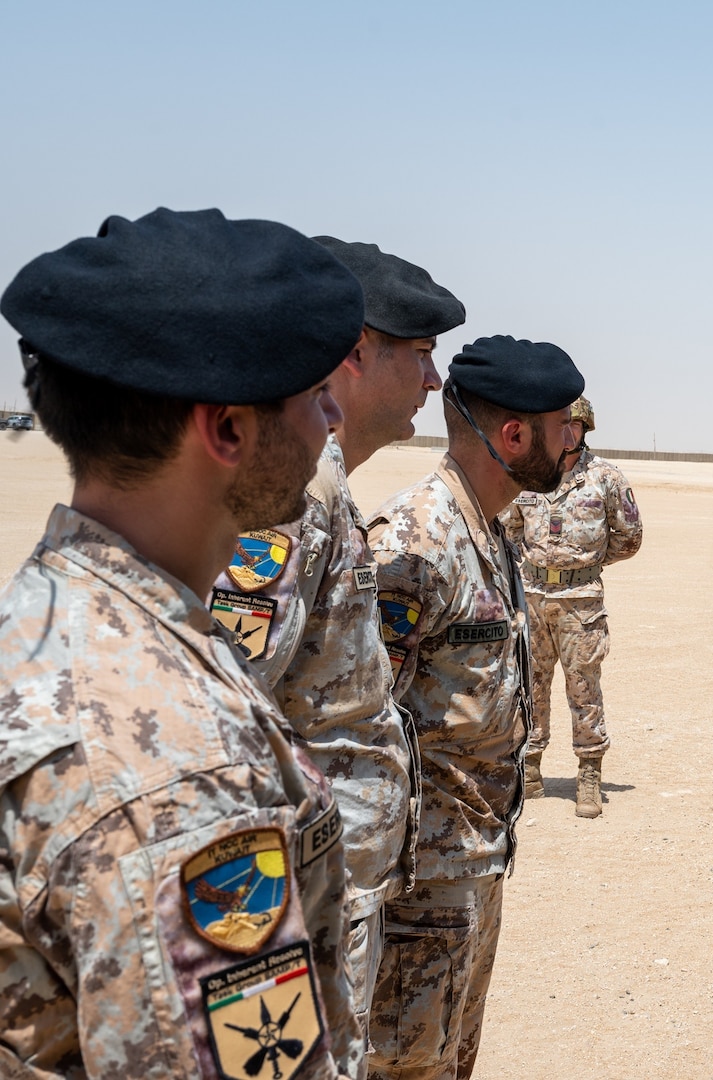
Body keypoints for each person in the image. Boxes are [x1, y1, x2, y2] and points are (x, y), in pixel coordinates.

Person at [0, 207, 365, 1076]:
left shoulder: (46, 619)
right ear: (228, 430)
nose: (330, 421)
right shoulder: (182, 770)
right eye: (314, 395)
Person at [208, 236, 465, 1074]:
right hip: (291, 902)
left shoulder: (325, 490)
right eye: (421, 353)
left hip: (332, 888)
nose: (434, 380)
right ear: (355, 352)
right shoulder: (294, 497)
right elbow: (224, 717)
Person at [366, 335, 583, 1079]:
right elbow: (359, 725)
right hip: (417, 885)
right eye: (566, 427)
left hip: (472, 867)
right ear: (514, 435)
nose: (577, 441)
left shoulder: (490, 529)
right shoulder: (416, 545)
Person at [501, 395, 643, 817]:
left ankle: (589, 772)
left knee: (583, 687)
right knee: (530, 684)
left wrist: (587, 564)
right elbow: (508, 529)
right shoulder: (527, 476)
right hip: (533, 598)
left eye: (575, 426)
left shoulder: (605, 478)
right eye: (561, 426)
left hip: (580, 603)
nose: (567, 434)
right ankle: (530, 767)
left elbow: (629, 536)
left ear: (585, 430)